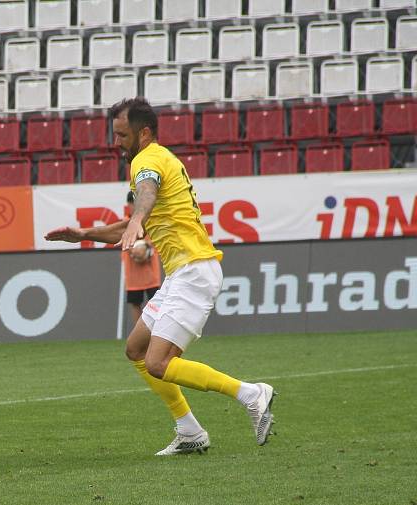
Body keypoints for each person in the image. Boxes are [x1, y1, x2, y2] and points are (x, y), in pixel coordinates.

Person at [45, 97, 276, 456]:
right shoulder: (160, 159)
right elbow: (134, 219)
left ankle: (250, 393)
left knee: (157, 362)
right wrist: (85, 233)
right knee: (136, 350)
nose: (116, 142)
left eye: (122, 135)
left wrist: (137, 219)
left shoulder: (147, 160)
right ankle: (189, 430)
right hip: (181, 273)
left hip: (194, 271)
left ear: (144, 132)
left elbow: (146, 197)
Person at [123, 190, 162, 325]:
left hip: (151, 272)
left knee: (155, 302)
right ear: (129, 204)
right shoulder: (125, 223)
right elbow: (124, 244)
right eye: (134, 203)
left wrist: (147, 249)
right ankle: (138, 334)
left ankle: (156, 330)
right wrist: (133, 251)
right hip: (133, 274)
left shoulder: (151, 220)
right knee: (135, 303)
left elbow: (156, 242)